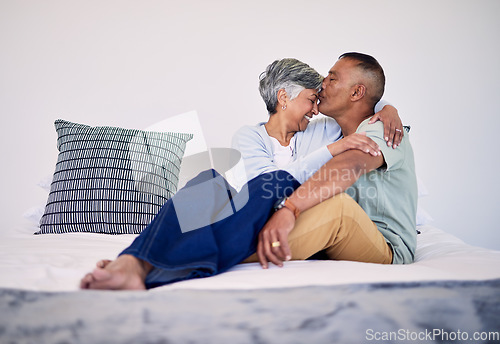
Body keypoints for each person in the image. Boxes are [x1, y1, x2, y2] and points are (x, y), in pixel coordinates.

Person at [80, 57, 403, 290]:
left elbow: (364, 97)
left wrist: (390, 108)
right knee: (208, 181)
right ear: (284, 97)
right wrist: (328, 153)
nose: (317, 105)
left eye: (322, 93)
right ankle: (135, 259)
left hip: (307, 214)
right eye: (311, 98)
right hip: (263, 209)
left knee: (271, 186)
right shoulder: (251, 136)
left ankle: (144, 266)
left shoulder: (329, 129)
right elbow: (262, 190)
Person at [251, 53, 417, 270]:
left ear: (356, 92)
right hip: (345, 236)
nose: (322, 84)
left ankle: (225, 254)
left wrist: (289, 208)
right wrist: (388, 107)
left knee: (339, 207)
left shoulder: (384, 130)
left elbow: (350, 166)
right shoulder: (333, 133)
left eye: (332, 79)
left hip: (387, 246)